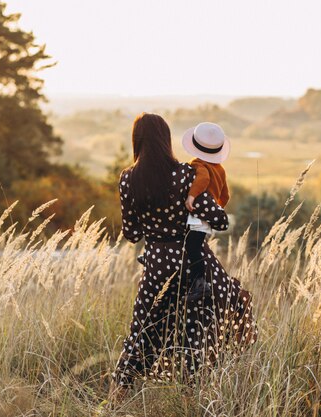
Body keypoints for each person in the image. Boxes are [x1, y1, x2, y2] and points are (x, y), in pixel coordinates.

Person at [108, 113, 256, 404]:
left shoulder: (127, 179)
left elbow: (132, 234)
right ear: (167, 141)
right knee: (194, 334)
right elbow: (219, 219)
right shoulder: (186, 175)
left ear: (136, 141)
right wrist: (193, 219)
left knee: (142, 331)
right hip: (194, 265)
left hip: (156, 267)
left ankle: (116, 396)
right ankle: (192, 398)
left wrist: (153, 225)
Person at [181, 122, 230, 302]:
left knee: (192, 247)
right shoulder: (221, 169)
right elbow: (226, 195)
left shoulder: (198, 165)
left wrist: (192, 197)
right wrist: (215, 211)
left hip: (197, 216)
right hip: (207, 218)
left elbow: (203, 178)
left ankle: (200, 284)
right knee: (195, 245)